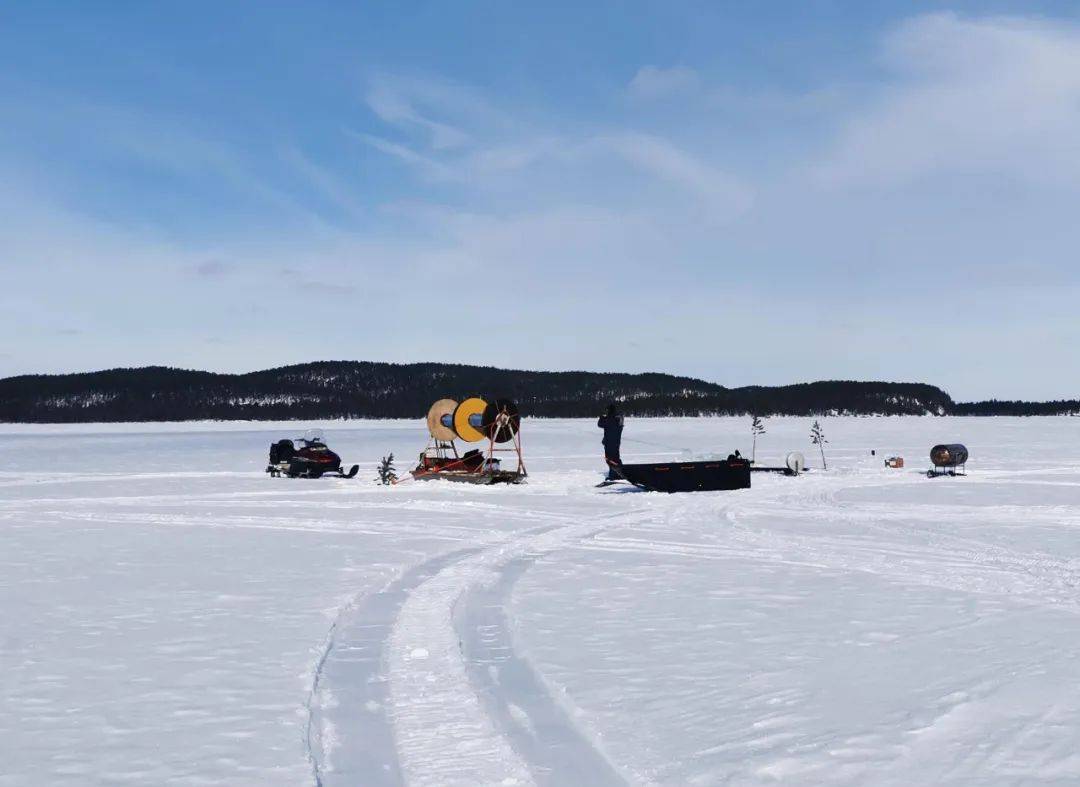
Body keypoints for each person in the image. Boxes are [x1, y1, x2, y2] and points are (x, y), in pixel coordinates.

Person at [597, 403, 624, 479]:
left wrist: (601, 417)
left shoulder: (611, 418)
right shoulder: (618, 418)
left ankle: (615, 475)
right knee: (615, 458)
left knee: (611, 459)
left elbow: (600, 424)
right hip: (614, 442)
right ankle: (620, 473)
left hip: (610, 442)